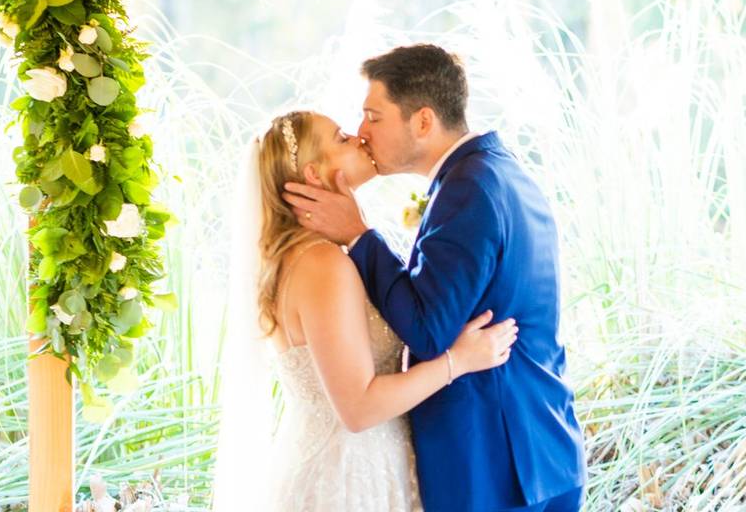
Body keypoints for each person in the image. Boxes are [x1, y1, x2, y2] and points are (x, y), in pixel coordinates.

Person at [283, 45, 587, 512]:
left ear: (423, 122)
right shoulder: (495, 173)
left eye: (373, 116)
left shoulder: (469, 191)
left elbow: (429, 329)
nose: (362, 132)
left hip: (493, 465)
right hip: (538, 449)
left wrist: (360, 236)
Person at [212, 109, 518, 511]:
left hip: (359, 463)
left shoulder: (307, 257)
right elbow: (358, 407)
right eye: (340, 138)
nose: (358, 137)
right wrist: (457, 360)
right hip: (345, 480)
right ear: (314, 175)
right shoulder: (321, 264)